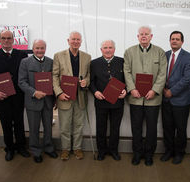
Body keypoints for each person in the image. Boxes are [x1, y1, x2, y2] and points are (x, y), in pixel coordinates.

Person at [124, 26, 167, 166]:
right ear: (138, 36)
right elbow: (127, 72)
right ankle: (137, 153)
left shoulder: (160, 52)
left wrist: (155, 90)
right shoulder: (129, 52)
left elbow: (162, 73)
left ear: (151, 36)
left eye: (146, 34)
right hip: (135, 97)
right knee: (136, 127)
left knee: (151, 128)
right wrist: (132, 89)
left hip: (153, 99)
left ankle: (149, 154)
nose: (143, 36)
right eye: (141, 34)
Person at [0, 30, 30, 161]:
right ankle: (10, 149)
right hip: (1, 98)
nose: (6, 40)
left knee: (19, 123)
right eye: (3, 38)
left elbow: (26, 76)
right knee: (6, 125)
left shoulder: (22, 55)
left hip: (18, 97)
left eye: (9, 38)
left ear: (13, 40)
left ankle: (21, 147)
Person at [53, 31, 91, 160]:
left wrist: (86, 81)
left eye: (78, 40)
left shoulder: (87, 57)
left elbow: (88, 75)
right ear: (68, 40)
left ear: (81, 42)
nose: (75, 41)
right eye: (73, 39)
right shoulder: (59, 56)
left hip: (80, 96)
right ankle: (65, 149)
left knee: (79, 125)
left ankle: (77, 148)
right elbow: (55, 76)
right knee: (64, 125)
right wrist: (59, 93)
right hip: (65, 96)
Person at [18, 39, 58, 163]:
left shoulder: (51, 62)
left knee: (48, 127)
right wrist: (34, 92)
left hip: (47, 101)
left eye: (42, 48)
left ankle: (49, 148)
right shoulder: (25, 62)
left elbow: (55, 81)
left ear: (45, 49)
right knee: (34, 128)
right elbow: (21, 82)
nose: (40, 50)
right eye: (37, 48)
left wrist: (55, 99)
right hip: (33, 101)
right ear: (33, 48)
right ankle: (36, 151)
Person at [160, 31, 190, 164]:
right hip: (165, 99)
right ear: (169, 41)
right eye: (172, 39)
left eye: (177, 39)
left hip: (181, 100)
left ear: (182, 42)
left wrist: (172, 91)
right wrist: (163, 89)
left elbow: (187, 78)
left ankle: (179, 152)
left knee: (180, 128)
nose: (174, 41)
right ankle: (168, 150)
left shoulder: (189, 57)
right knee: (167, 127)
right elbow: (160, 74)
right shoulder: (165, 55)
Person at [90, 40, 126, 161]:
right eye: (105, 47)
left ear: (114, 49)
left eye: (110, 47)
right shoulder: (94, 63)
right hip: (101, 101)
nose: (108, 50)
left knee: (115, 128)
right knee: (101, 128)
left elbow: (127, 79)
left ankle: (114, 150)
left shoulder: (122, 61)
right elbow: (91, 81)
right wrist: (95, 91)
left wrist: (125, 90)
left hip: (118, 102)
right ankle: (101, 151)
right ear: (101, 50)